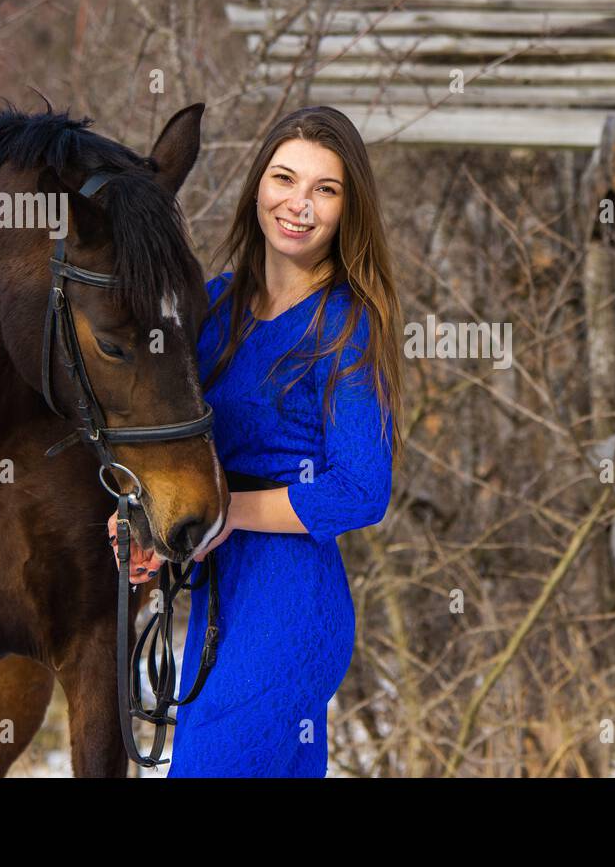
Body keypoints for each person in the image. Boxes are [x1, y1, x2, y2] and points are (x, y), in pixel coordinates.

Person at [106, 106, 401, 776]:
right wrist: (151, 525)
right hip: (219, 602)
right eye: (284, 178)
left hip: (291, 608)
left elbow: (362, 490)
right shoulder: (213, 309)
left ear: (347, 211)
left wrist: (222, 513)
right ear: (257, 188)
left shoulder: (346, 328)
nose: (298, 204)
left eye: (325, 190)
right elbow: (174, 442)